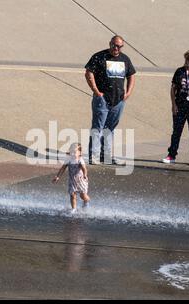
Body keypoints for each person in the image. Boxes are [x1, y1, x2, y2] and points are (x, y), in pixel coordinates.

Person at [85, 35, 136, 165]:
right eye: (114, 45)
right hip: (102, 99)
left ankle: (106, 155)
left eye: (119, 46)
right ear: (110, 43)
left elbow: (131, 75)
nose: (116, 48)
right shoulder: (99, 56)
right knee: (98, 127)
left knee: (110, 128)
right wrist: (96, 91)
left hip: (118, 100)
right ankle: (94, 156)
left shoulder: (125, 59)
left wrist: (128, 92)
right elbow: (88, 72)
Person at [52, 143, 90, 213]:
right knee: (72, 194)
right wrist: (58, 176)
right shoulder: (68, 159)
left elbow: (84, 169)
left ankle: (87, 201)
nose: (72, 154)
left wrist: (85, 175)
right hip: (72, 180)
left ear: (80, 153)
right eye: (71, 152)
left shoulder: (80, 160)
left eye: (75, 152)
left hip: (81, 180)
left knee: (82, 196)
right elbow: (63, 168)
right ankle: (74, 209)